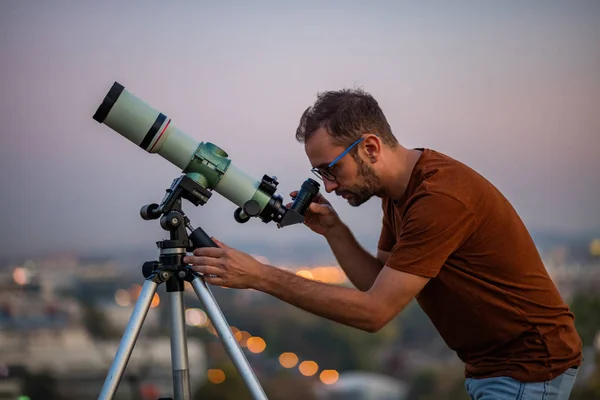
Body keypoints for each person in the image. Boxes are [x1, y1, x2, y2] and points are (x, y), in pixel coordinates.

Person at [183, 89, 583, 399]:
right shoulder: (398, 194)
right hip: (497, 367)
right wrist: (335, 231)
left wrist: (261, 276)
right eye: (319, 173)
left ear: (370, 148)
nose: (329, 185)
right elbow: (375, 284)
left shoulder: (438, 199)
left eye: (332, 168)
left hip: (528, 366)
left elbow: (375, 313)